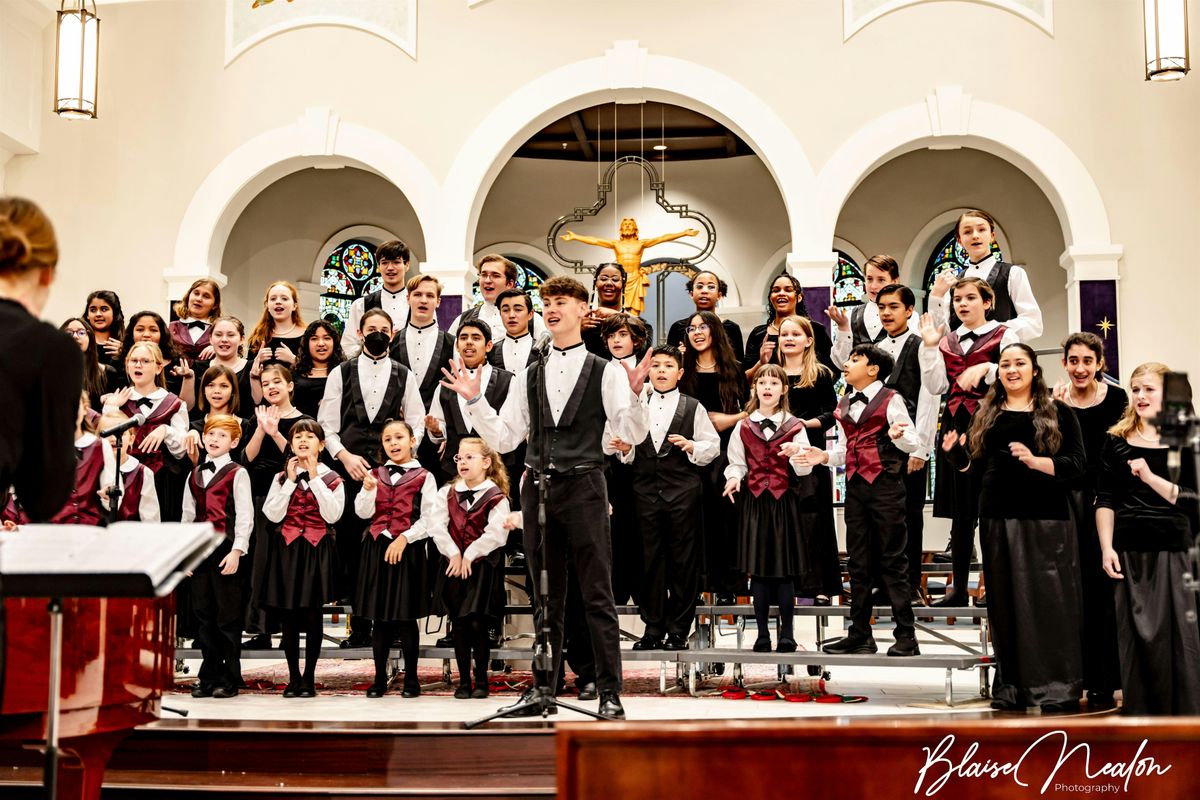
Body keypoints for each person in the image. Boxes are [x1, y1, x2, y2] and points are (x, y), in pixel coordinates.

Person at [440, 275, 651, 720]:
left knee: (596, 592)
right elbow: (508, 436)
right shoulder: (529, 374)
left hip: (587, 485)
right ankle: (542, 688)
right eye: (547, 302)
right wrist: (475, 402)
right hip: (538, 489)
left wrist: (634, 396)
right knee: (545, 594)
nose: (552, 308)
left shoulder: (606, 369)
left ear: (581, 310)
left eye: (561, 302)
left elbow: (631, 434)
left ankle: (610, 691)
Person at [941, 343, 1086, 710]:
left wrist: (1038, 463)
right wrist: (955, 456)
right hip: (997, 516)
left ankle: (1056, 685)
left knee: (1050, 602)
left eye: (1020, 363)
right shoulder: (985, 415)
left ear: (1034, 370)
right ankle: (1012, 687)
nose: (1012, 369)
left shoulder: (1058, 412)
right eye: (1005, 364)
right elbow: (972, 471)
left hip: (1046, 517)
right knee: (1005, 602)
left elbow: (1078, 465)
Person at [801, 346, 921, 657]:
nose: (847, 363)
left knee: (893, 559)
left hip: (886, 487)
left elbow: (914, 442)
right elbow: (844, 448)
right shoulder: (844, 404)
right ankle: (860, 634)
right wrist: (824, 456)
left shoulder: (891, 399)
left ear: (873, 370)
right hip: (856, 488)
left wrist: (897, 436)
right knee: (858, 562)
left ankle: (906, 636)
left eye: (855, 360)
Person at [318, 307, 425, 647]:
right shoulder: (340, 372)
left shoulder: (403, 373)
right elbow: (327, 424)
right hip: (351, 471)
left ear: (391, 334)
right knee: (354, 549)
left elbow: (417, 420)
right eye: (371, 328)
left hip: (393, 474)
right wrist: (344, 456)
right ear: (361, 333)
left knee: (391, 544)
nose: (377, 333)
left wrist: (402, 455)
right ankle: (359, 626)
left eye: (383, 328)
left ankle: (391, 625)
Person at [1096, 363, 1199, 715]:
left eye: (1148, 389)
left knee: (1179, 636)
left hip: (1175, 547)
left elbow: (1192, 500)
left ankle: (1185, 713)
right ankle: (1142, 710)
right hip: (1129, 546)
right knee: (1136, 633)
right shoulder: (1115, 441)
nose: (1139, 396)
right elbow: (1105, 498)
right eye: (1135, 389)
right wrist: (1107, 546)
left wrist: (1151, 477)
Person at [918, 278, 1018, 607]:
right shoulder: (946, 340)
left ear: (987, 302)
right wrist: (931, 347)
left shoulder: (1005, 334)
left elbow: (1016, 375)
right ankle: (959, 590)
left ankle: (994, 588)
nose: (962, 304)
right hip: (955, 424)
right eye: (957, 298)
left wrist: (988, 368)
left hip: (991, 424)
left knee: (991, 511)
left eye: (970, 298)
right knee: (961, 515)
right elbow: (934, 386)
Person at [613, 345, 719, 650]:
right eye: (655, 365)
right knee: (647, 562)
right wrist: (625, 449)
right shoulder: (635, 404)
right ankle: (653, 628)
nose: (661, 370)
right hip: (643, 492)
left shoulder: (692, 406)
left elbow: (712, 446)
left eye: (668, 366)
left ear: (680, 373)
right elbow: (629, 449)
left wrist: (690, 445)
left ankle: (678, 630)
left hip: (683, 492)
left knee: (683, 563)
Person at [722, 363, 816, 653]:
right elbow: (736, 462)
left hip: (783, 502)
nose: (767, 387)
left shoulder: (795, 426)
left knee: (784, 572)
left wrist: (798, 455)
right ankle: (762, 634)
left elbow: (803, 471)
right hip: (755, 503)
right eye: (762, 382)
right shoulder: (743, 426)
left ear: (784, 390)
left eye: (774, 383)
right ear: (755, 388)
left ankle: (787, 634)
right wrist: (734, 479)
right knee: (760, 572)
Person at [1055, 332, 1126, 707]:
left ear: (1100, 364)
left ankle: (1108, 678)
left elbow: (1124, 447)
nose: (1080, 368)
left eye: (1088, 360)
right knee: (1071, 592)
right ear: (1064, 363)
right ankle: (1074, 677)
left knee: (1103, 594)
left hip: (1108, 501)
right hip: (1067, 503)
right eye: (1073, 360)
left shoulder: (1117, 399)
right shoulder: (1054, 402)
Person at [258, 419, 345, 698]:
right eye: (297, 437)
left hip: (316, 550)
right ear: (291, 444)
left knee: (311, 616)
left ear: (321, 445)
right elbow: (272, 514)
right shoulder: (282, 477)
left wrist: (314, 478)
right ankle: (293, 677)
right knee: (289, 618)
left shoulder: (332, 478)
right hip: (288, 549)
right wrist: (292, 480)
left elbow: (333, 516)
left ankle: (309, 678)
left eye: (309, 437)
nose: (303, 441)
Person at [353, 419, 437, 698]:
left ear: (412, 441)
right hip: (377, 548)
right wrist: (367, 490)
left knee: (405, 617)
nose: (393, 443)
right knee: (380, 619)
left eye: (399, 437)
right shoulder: (375, 474)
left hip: (408, 549)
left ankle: (411, 677)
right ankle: (379, 678)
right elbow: (363, 513)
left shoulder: (425, 475)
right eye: (388, 439)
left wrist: (405, 538)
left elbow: (430, 519)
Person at [428, 437, 512, 699]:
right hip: (454, 566)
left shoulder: (496, 496)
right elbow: (436, 526)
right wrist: (454, 553)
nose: (462, 462)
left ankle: (482, 680)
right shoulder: (447, 493)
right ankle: (463, 680)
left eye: (469, 457)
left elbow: (497, 534)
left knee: (476, 623)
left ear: (486, 462)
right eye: (459, 458)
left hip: (482, 567)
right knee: (460, 624)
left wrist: (471, 554)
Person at [870, 285, 939, 601]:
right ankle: (882, 583)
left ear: (909, 310)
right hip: (877, 447)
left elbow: (929, 398)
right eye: (882, 306)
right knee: (881, 516)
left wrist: (921, 448)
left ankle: (908, 584)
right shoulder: (873, 348)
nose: (886, 312)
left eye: (893, 306)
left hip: (910, 444)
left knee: (909, 515)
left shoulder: (920, 346)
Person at [679, 309, 749, 601]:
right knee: (693, 524)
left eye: (702, 327)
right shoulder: (683, 370)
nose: (696, 332)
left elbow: (751, 410)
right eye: (691, 327)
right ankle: (694, 586)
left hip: (725, 454)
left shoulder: (734, 369)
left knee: (726, 522)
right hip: (688, 455)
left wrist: (728, 420)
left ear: (715, 332)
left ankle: (727, 588)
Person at [181, 414, 253, 699]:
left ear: (234, 441)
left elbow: (246, 516)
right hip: (200, 551)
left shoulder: (238, 472)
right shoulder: (194, 473)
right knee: (204, 616)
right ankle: (208, 675)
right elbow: (187, 516)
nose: (213, 439)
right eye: (211, 434)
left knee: (227, 617)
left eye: (222, 436)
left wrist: (238, 550)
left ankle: (230, 676)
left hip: (226, 549)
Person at [774, 315, 841, 603]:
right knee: (782, 520)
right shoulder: (771, 373)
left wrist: (802, 424)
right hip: (775, 457)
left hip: (810, 454)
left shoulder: (821, 374)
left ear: (808, 341)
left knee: (815, 520)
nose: (788, 338)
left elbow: (831, 413)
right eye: (784, 334)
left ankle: (819, 585)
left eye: (795, 334)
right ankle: (784, 584)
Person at [103, 341, 190, 521]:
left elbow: (181, 452)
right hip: (124, 477)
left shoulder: (174, 403)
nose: (138, 365)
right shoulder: (117, 401)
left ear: (158, 368)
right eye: (133, 360)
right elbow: (105, 444)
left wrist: (165, 430)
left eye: (145, 361)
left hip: (162, 480)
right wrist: (110, 409)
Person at [926, 210, 1043, 343]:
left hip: (1001, 357)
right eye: (967, 232)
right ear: (959, 240)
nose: (975, 236)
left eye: (981, 229)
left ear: (992, 236)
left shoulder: (1012, 273)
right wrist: (936, 296)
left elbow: (1034, 323)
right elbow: (941, 336)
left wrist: (993, 331)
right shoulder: (953, 284)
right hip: (961, 360)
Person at [3, 392, 115, 527]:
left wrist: (107, 495)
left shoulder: (101, 446)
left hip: (88, 529)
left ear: (85, 409)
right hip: (49, 532)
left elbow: (111, 488)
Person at [427, 319, 513, 484]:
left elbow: (511, 427)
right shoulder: (446, 383)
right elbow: (440, 426)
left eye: (476, 337)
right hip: (454, 468)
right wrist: (437, 431)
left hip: (495, 469)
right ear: (457, 346)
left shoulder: (508, 381)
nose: (469, 342)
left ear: (488, 346)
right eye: (464, 337)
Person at [390, 275, 454, 475]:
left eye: (429, 295)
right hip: (396, 432)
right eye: (418, 294)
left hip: (434, 436)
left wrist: (444, 433)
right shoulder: (391, 341)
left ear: (438, 301)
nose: (423, 300)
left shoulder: (452, 344)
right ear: (408, 298)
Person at [744, 272, 835, 376]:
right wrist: (761, 363)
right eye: (776, 290)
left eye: (788, 290)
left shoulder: (815, 330)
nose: (781, 293)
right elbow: (745, 380)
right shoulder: (758, 334)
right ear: (770, 298)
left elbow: (831, 371)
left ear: (799, 297)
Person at [340, 239, 413, 358]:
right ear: (378, 266)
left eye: (396, 262)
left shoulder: (417, 303)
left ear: (407, 265)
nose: (390, 267)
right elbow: (348, 345)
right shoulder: (361, 304)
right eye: (384, 262)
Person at [448, 254, 547, 342]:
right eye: (483, 275)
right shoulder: (462, 319)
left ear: (510, 284)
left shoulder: (532, 320)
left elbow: (547, 353)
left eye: (495, 275)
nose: (487, 280)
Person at [826, 254, 901, 366]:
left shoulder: (908, 317)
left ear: (894, 282)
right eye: (869, 279)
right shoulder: (851, 315)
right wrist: (843, 328)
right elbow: (840, 363)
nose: (873, 286)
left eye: (881, 280)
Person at [666, 270, 745, 363]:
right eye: (699, 286)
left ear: (719, 295)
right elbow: (669, 364)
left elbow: (739, 367)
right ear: (691, 294)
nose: (704, 291)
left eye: (711, 287)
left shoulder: (732, 328)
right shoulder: (678, 327)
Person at [98, 409, 160, 523]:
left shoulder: (142, 473)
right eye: (107, 433)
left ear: (131, 439)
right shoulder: (93, 470)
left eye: (120, 434)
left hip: (130, 536)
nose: (113, 438)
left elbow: (150, 519)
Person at [180, 316, 254, 412]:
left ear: (242, 339)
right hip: (205, 425)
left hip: (241, 426)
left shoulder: (252, 368)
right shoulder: (197, 368)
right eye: (218, 335)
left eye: (230, 335)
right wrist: (188, 379)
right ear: (210, 339)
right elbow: (185, 409)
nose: (224, 339)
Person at [182, 364, 249, 466]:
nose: (217, 391)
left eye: (224, 386)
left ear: (233, 391)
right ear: (203, 390)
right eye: (210, 385)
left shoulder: (246, 426)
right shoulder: (193, 427)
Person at [247, 281, 305, 381]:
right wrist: (257, 360)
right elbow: (248, 374)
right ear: (267, 306)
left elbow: (315, 370)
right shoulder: (258, 336)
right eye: (273, 299)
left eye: (284, 298)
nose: (278, 302)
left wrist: (293, 360)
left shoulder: (306, 335)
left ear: (294, 306)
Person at [122, 311, 187, 397]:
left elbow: (185, 405)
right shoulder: (119, 362)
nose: (146, 335)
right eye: (140, 330)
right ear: (131, 334)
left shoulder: (177, 363)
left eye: (153, 330)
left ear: (162, 334)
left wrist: (188, 378)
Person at [61, 317, 120, 412]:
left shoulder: (107, 372)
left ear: (90, 338)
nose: (75, 336)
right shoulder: (51, 372)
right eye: (69, 333)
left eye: (81, 332)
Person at [292, 320, 345, 419]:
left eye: (327, 338)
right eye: (314, 339)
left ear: (335, 342)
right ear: (307, 343)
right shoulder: (294, 373)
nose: (321, 343)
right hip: (302, 430)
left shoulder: (345, 372)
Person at [490, 287, 548, 372]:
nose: (511, 315)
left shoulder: (545, 351)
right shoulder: (491, 352)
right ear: (500, 314)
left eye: (518, 309)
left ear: (530, 314)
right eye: (505, 310)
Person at [169, 278, 222, 362]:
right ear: (188, 297)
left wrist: (220, 350)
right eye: (196, 293)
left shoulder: (220, 330)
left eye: (206, 296)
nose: (199, 299)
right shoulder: (170, 328)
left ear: (215, 305)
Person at [83, 289, 125, 370]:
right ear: (87, 315)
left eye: (104, 309)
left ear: (115, 313)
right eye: (93, 310)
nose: (98, 314)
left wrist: (124, 355)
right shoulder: (79, 341)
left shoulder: (125, 345)